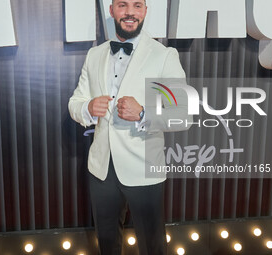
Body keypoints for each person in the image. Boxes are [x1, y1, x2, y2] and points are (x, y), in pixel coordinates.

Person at [69, 0, 191, 254]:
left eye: (137, 5)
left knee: (152, 244)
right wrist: (88, 108)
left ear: (145, 11)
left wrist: (144, 112)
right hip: (101, 167)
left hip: (143, 167)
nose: (130, 13)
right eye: (122, 5)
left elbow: (183, 114)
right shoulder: (95, 54)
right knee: (107, 242)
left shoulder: (163, 55)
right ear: (112, 10)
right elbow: (75, 101)